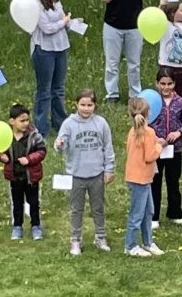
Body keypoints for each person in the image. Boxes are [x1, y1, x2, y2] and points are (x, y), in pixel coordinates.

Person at [54, 89, 115, 255]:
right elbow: (60, 145)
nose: (86, 108)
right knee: (76, 209)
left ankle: (100, 237)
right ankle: (75, 239)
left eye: (90, 105)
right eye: (83, 105)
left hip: (97, 174)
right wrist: (59, 145)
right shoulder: (68, 124)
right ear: (76, 105)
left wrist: (109, 169)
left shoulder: (101, 123)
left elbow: (108, 148)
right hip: (76, 175)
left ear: (95, 105)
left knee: (98, 208)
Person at [98, 0, 150, 103]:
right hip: (113, 25)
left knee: (134, 63)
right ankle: (112, 94)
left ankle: (135, 93)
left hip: (135, 25)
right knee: (112, 63)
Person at [29, 0, 73, 136]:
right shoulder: (35, 4)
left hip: (60, 48)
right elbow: (47, 28)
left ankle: (59, 123)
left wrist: (72, 22)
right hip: (44, 50)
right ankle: (41, 128)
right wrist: (63, 22)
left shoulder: (55, 0)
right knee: (44, 90)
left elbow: (62, 19)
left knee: (58, 88)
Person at [149, 69, 182, 229]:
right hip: (155, 150)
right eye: (162, 84)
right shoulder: (151, 101)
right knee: (155, 182)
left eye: (169, 84)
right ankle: (153, 216)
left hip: (175, 150)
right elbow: (143, 123)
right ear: (157, 84)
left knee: (173, 181)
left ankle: (175, 213)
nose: (166, 87)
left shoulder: (180, 102)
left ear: (174, 84)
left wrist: (178, 132)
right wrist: (155, 138)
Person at [0, 104, 47, 241]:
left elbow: (42, 151)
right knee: (17, 202)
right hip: (14, 176)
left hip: (31, 177)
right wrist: (1, 157)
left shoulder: (34, 135)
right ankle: (17, 226)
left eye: (27, 120)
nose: (25, 123)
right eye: (22, 120)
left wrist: (29, 159)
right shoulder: (6, 136)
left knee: (33, 202)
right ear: (12, 121)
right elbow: (0, 151)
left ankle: (36, 226)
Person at [123, 97, 165, 257]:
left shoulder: (133, 131)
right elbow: (150, 156)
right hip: (139, 178)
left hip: (139, 177)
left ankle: (148, 242)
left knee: (148, 211)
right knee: (137, 214)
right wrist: (159, 146)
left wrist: (154, 143)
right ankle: (130, 245)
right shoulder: (148, 132)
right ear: (148, 113)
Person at [157, 1, 182, 102]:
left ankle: (181, 107)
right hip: (167, 64)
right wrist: (161, 5)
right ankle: (165, 107)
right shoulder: (165, 25)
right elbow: (157, 18)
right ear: (173, 13)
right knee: (166, 89)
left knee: (181, 90)